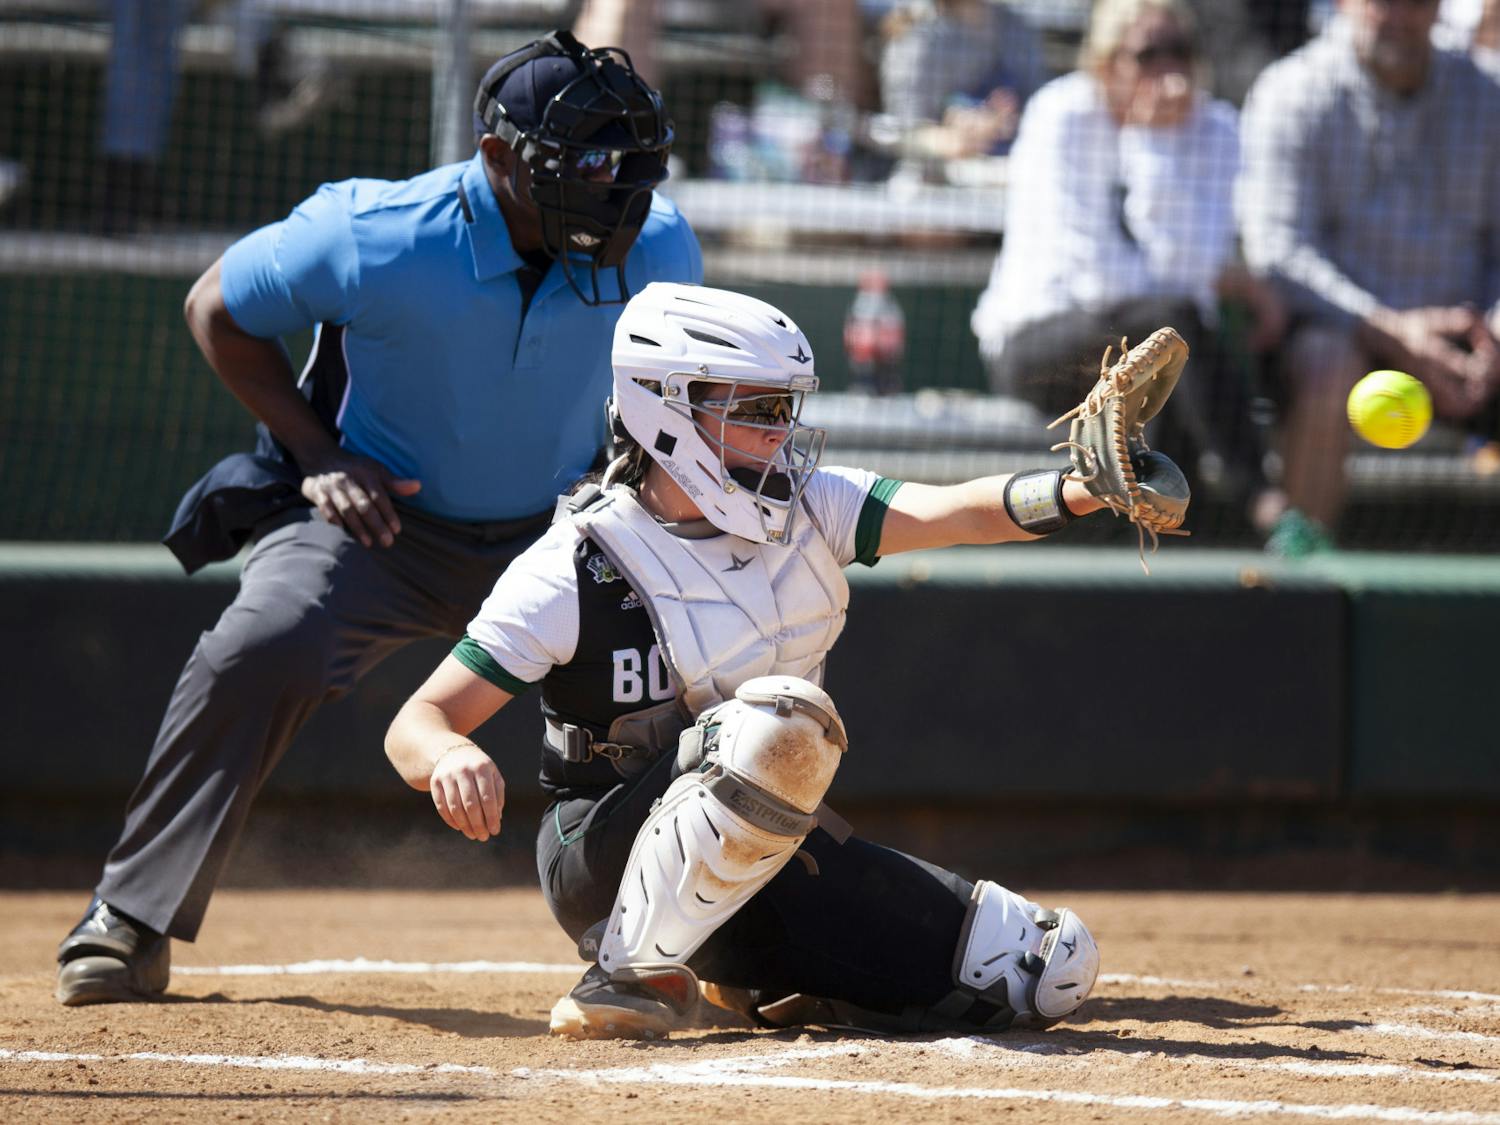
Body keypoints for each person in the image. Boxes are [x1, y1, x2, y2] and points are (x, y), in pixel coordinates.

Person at [54, 31, 703, 1007]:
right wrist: (317, 454)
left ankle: (669, 943)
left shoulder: (657, 243)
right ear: (498, 159)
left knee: (666, 669)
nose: (618, 195)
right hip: (379, 525)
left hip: (558, 534)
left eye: (631, 168)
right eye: (585, 166)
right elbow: (214, 308)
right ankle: (132, 917)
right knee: (262, 642)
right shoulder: (378, 232)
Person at [383, 282, 1163, 1039]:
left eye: (786, 407)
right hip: (603, 863)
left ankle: (774, 980)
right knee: (772, 719)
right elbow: (417, 721)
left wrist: (1080, 489)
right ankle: (626, 973)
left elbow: (955, 509)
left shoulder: (810, 503)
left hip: (767, 854)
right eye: (757, 409)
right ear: (669, 409)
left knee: (1045, 965)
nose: (780, 432)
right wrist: (449, 751)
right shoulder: (580, 564)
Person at [971, 0, 1284, 528]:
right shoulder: (1062, 115)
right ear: (1106, 61)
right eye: (1147, 54)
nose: (1167, 71)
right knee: (1173, 332)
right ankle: (1259, 499)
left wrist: (1160, 147)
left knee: (1173, 350)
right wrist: (1148, 139)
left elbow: (1195, 274)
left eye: (1179, 52)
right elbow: (1099, 281)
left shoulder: (1215, 129)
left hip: (1158, 344)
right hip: (1042, 344)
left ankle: (1191, 544)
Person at [1237, 0, 1500, 550]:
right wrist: (1390, 330)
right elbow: (1278, 252)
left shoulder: (1489, 93)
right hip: (1343, 334)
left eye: (1419, 2)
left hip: (1473, 342)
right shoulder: (1291, 92)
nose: (1402, 16)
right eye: (1385, 2)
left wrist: (1494, 330)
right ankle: (1302, 577)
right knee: (1325, 365)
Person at [878, 0, 1051, 167]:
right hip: (937, 176)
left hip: (1012, 169)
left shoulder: (1015, 26)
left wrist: (1003, 122)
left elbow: (1039, 109)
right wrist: (950, 139)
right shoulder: (918, 38)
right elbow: (901, 132)